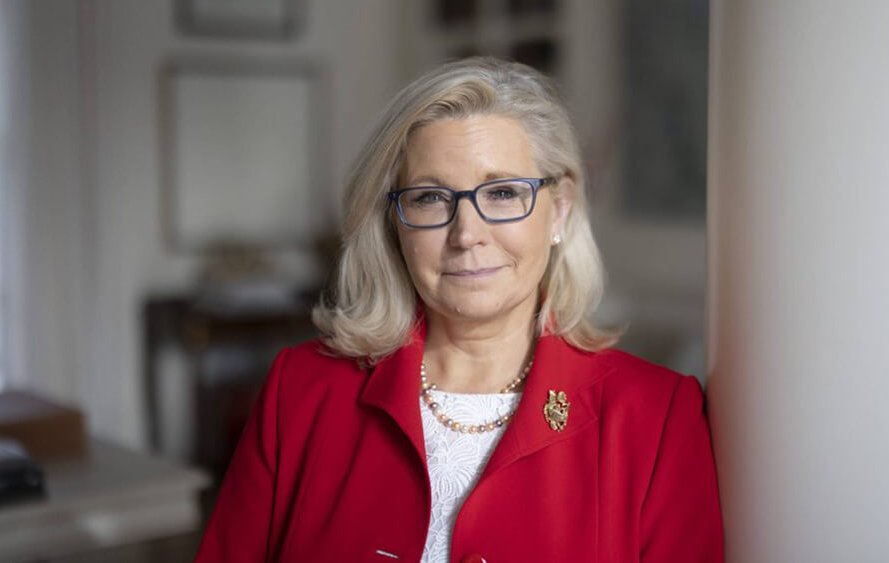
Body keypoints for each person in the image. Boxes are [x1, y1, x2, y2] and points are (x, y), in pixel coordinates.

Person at [195, 57, 723, 562]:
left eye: (502, 193)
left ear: (558, 210)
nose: (467, 235)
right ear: (392, 223)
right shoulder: (301, 391)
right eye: (429, 198)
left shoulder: (657, 418)